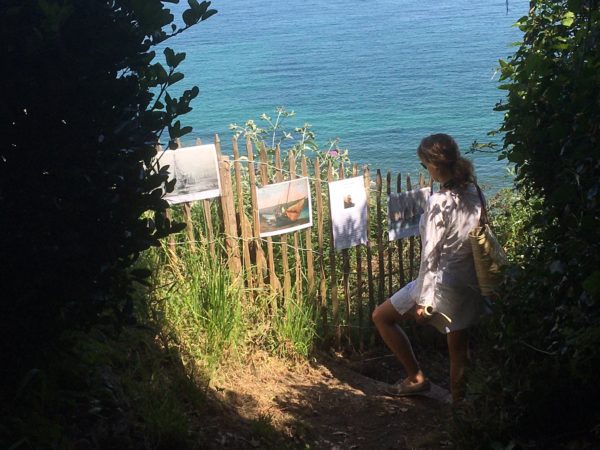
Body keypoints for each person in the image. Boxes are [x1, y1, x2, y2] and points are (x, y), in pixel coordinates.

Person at [372, 133, 486, 402]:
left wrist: (423, 301)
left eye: (424, 165)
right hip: (469, 280)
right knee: (458, 348)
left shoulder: (439, 203)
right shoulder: (474, 191)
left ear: (434, 166)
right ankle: (460, 413)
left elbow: (431, 255)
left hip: (441, 281)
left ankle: (416, 378)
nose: (425, 170)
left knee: (381, 317)